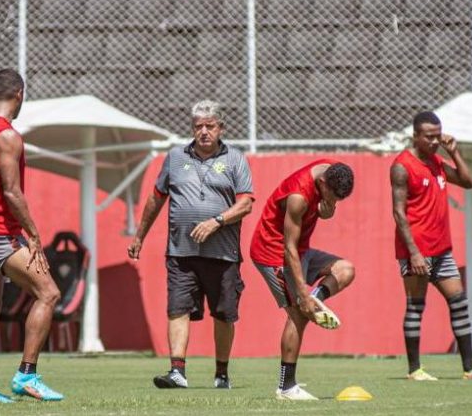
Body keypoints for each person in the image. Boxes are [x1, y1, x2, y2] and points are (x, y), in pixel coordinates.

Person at [127, 100, 254, 390]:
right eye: (198, 127)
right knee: (177, 309)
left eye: (210, 126)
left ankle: (221, 374)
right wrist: (139, 237)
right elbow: (156, 199)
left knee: (223, 314)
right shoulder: (173, 157)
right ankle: (177, 372)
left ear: (221, 128)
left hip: (223, 253)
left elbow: (245, 204)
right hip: (180, 252)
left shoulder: (235, 159)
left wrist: (216, 221)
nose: (204, 132)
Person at [0, 69, 62, 403]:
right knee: (48, 293)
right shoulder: (7, 136)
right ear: (19, 93)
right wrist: (33, 234)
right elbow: (12, 192)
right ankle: (27, 375)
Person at [390, 111, 472, 381]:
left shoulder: (437, 161)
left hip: (442, 250)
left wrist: (454, 152)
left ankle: (470, 368)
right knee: (416, 305)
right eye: (429, 137)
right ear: (415, 136)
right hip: (416, 250)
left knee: (459, 303)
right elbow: (399, 212)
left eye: (437, 136)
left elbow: (468, 181)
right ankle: (415, 370)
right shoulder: (402, 166)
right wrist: (414, 253)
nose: (434, 141)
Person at [250, 159, 355, 400]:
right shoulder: (298, 197)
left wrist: (328, 209)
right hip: (273, 254)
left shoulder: (330, 170)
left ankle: (317, 299)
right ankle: (286, 388)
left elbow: (306, 233)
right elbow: (289, 249)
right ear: (322, 183)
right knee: (298, 314)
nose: (335, 202)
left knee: (346, 269)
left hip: (301, 250)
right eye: (334, 196)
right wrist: (302, 295)